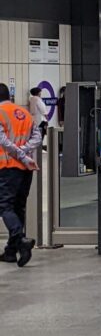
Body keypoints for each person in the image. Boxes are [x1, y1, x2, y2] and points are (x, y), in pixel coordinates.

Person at [0, 83, 37, 267]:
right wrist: (25, 151)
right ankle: (11, 251)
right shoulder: (24, 113)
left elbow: (3, 141)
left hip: (7, 167)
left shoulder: (0, 112)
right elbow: (37, 137)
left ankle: (20, 239)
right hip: (26, 168)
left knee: (5, 206)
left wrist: (19, 153)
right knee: (18, 207)